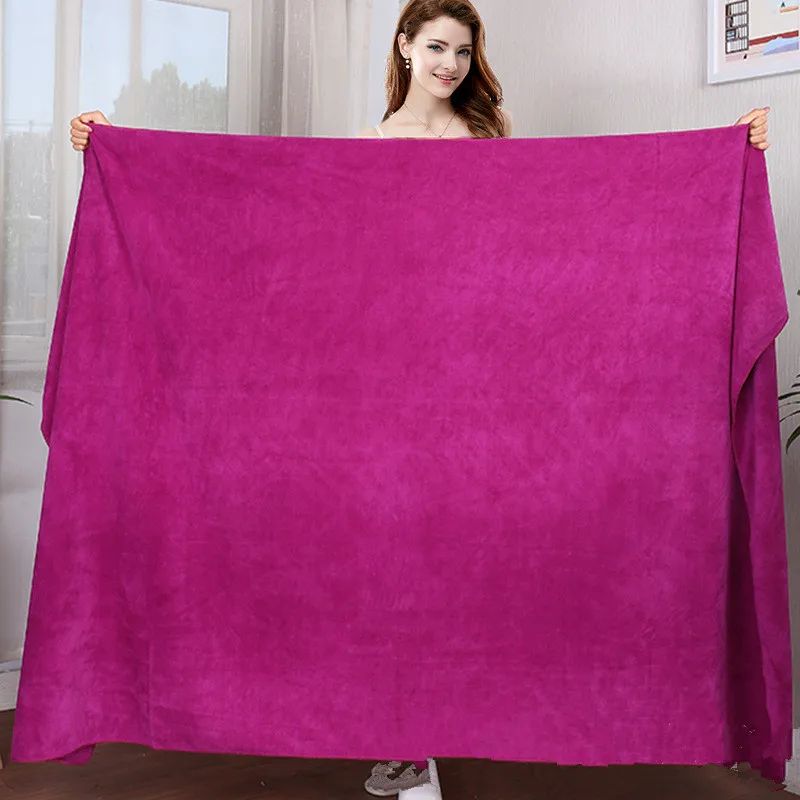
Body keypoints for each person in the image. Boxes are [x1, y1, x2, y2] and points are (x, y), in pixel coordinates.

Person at [67, 0, 772, 795]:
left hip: (481, 389)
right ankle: (403, 749)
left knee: (467, 572)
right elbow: (298, 254)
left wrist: (727, 156)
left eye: (463, 52)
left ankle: (457, 731)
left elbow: (565, 238)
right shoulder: (364, 152)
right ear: (404, 46)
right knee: (391, 570)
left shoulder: (495, 147)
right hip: (385, 392)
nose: (450, 65)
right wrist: (116, 151)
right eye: (437, 46)